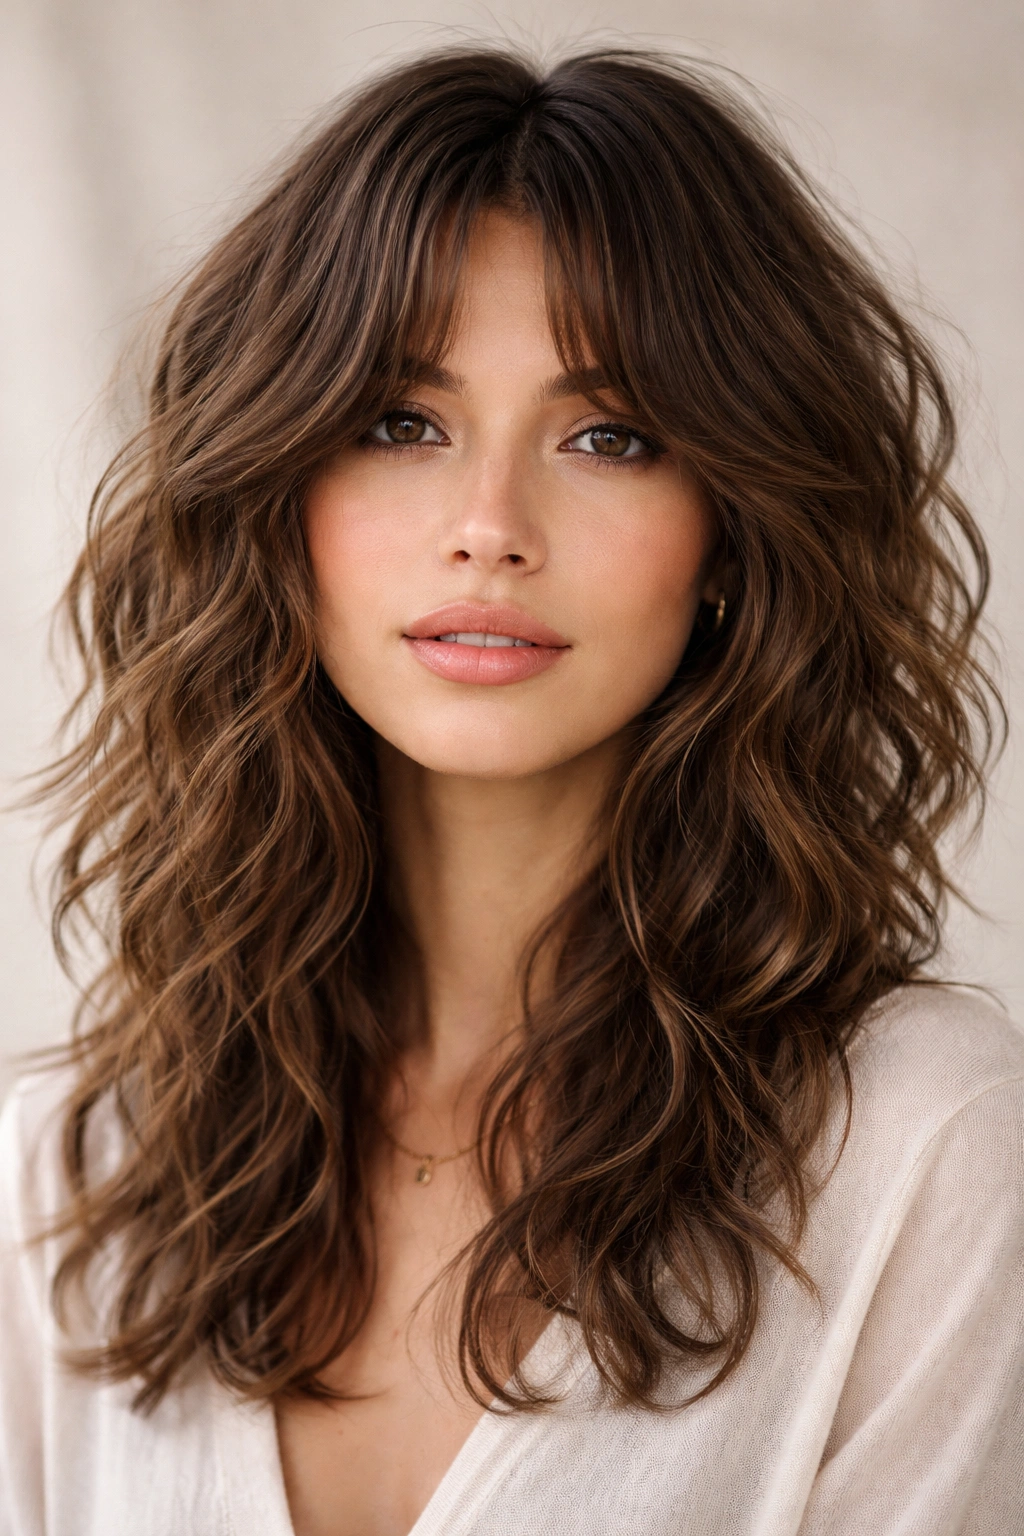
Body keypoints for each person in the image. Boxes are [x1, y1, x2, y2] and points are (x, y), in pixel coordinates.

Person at [0, 43, 1021, 1536]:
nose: (490, 527)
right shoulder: (77, 1175)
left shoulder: (919, 1145)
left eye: (611, 436)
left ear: (732, 531)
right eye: (401, 422)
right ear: (275, 498)